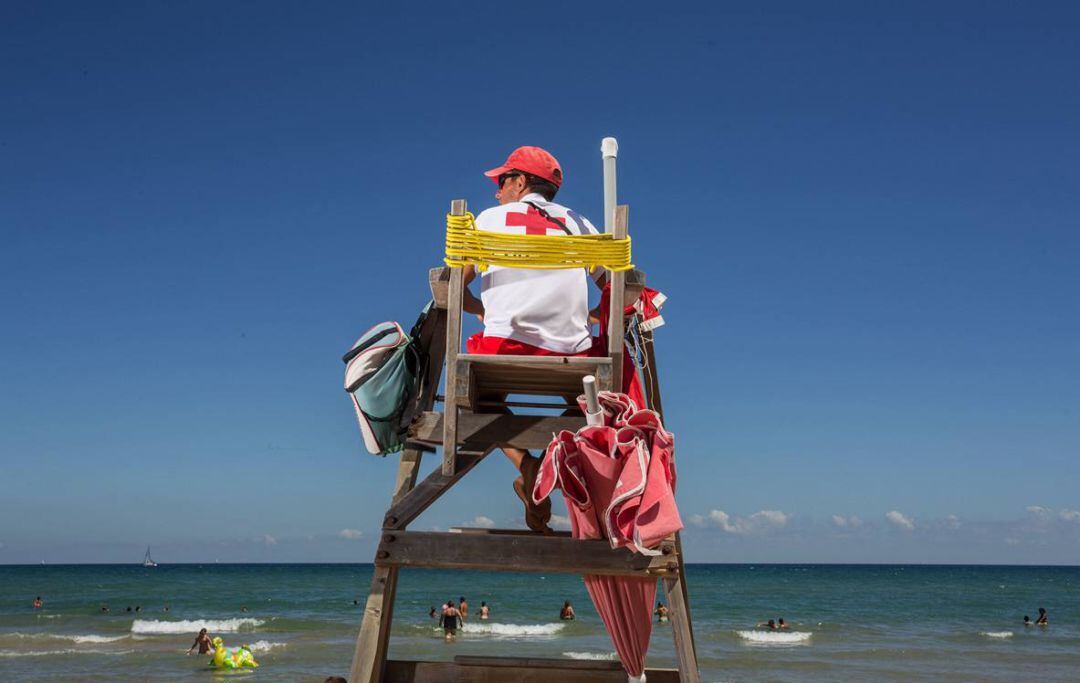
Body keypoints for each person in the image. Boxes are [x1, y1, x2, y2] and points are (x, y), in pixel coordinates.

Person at [461, 146, 647, 533]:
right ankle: (542, 465)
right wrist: (592, 315)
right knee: (588, 403)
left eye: (502, 181)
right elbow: (621, 289)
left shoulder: (487, 219)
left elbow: (449, 289)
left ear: (521, 182)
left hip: (503, 349)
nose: (496, 191)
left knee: (479, 398)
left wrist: (480, 307)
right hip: (572, 355)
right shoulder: (580, 223)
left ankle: (529, 466)